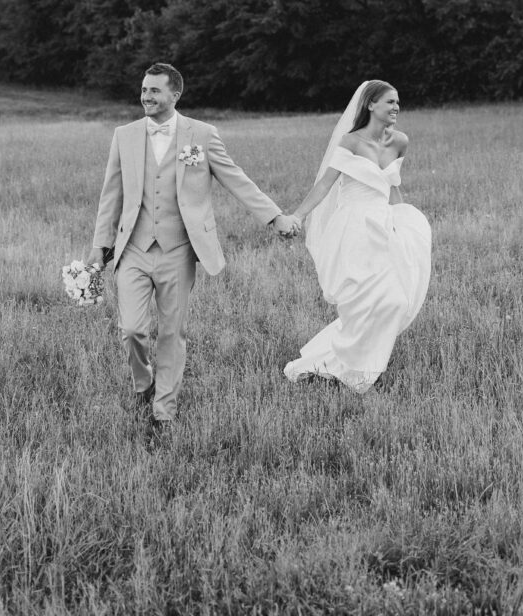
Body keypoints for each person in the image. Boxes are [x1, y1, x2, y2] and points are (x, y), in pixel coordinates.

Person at [88, 62, 299, 429]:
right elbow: (111, 196)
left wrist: (275, 216)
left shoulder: (201, 134)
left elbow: (237, 179)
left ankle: (164, 410)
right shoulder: (124, 135)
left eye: (155, 90)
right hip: (133, 249)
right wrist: (98, 246)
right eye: (144, 89)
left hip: (179, 250)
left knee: (172, 330)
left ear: (175, 94)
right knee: (132, 329)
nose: (146, 96)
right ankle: (144, 381)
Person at [283, 80, 431, 393]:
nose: (396, 108)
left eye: (398, 102)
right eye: (390, 102)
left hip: (384, 224)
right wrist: (298, 215)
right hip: (353, 227)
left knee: (393, 299)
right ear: (371, 105)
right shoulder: (351, 142)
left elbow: (392, 186)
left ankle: (363, 365)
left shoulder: (400, 141)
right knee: (359, 303)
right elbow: (325, 185)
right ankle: (346, 367)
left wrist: (405, 223)